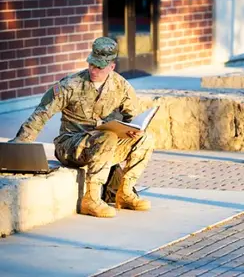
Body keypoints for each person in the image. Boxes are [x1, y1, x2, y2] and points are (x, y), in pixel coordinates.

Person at [10, 37, 154, 218]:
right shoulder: (71, 84)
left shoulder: (121, 86)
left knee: (146, 139)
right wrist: (17, 147)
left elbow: (134, 117)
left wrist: (134, 130)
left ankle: (124, 193)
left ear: (112, 66)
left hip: (102, 146)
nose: (93, 70)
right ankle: (91, 199)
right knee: (107, 137)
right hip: (70, 146)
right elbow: (41, 114)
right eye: (92, 64)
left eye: (99, 67)